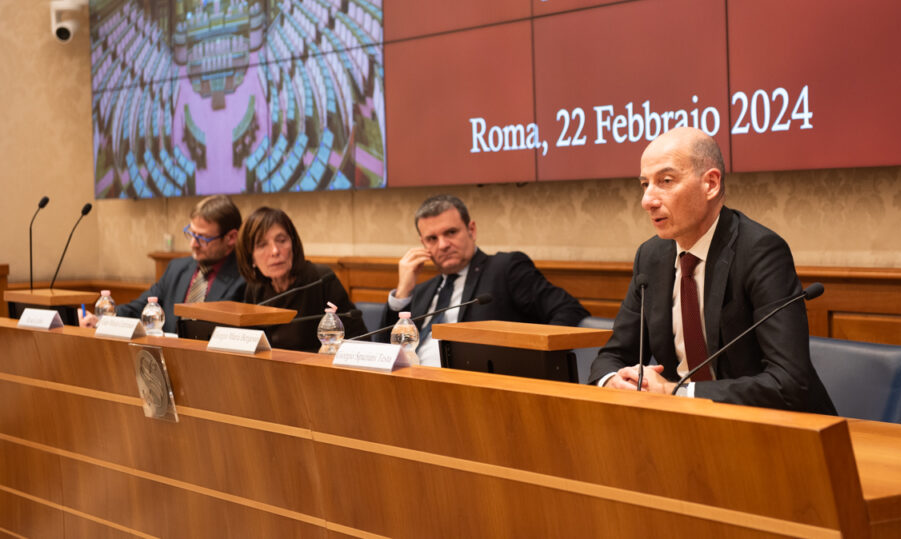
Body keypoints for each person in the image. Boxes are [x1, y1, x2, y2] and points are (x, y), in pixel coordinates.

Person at [590, 127, 836, 415]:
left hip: (772, 428)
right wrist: (614, 382)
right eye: (645, 184)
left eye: (665, 181)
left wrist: (675, 392)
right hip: (684, 425)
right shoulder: (651, 257)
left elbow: (789, 383)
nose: (648, 200)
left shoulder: (760, 252)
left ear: (710, 184)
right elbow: (612, 357)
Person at [384, 194, 589, 366]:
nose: (443, 244)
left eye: (451, 232)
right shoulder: (422, 291)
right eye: (432, 239)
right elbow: (384, 350)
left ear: (471, 230)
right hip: (412, 384)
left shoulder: (505, 269)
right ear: (423, 244)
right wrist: (403, 293)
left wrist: (532, 359)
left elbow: (569, 310)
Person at [91, 194, 246, 334]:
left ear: (231, 238)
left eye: (203, 238)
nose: (193, 244)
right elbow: (141, 308)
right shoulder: (176, 269)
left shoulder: (244, 279)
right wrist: (103, 318)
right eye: (191, 234)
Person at [236, 206, 367, 349]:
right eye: (262, 245)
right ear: (251, 257)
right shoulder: (255, 289)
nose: (274, 251)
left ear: (293, 244)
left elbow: (360, 339)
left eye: (281, 240)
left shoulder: (320, 280)